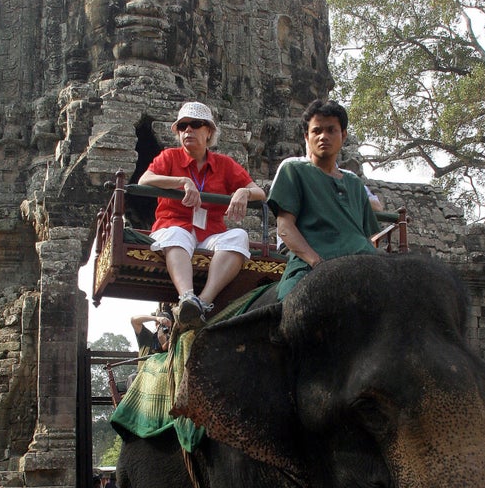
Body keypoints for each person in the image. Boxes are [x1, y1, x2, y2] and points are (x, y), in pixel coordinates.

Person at [139, 102, 266, 326]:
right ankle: (187, 295)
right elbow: (144, 180)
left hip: (210, 233)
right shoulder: (169, 157)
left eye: (195, 125)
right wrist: (182, 181)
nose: (188, 130)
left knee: (239, 237)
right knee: (177, 234)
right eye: (183, 126)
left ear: (209, 132)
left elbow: (260, 193)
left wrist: (243, 191)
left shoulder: (224, 164)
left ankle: (202, 303)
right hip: (173, 226)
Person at [267, 99, 381, 300]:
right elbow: (285, 228)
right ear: (306, 136)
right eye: (316, 131)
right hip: (310, 265)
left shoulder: (354, 183)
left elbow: (369, 237)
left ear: (343, 135)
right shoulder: (293, 170)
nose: (323, 137)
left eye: (331, 130)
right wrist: (318, 264)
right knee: (287, 310)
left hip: (362, 264)